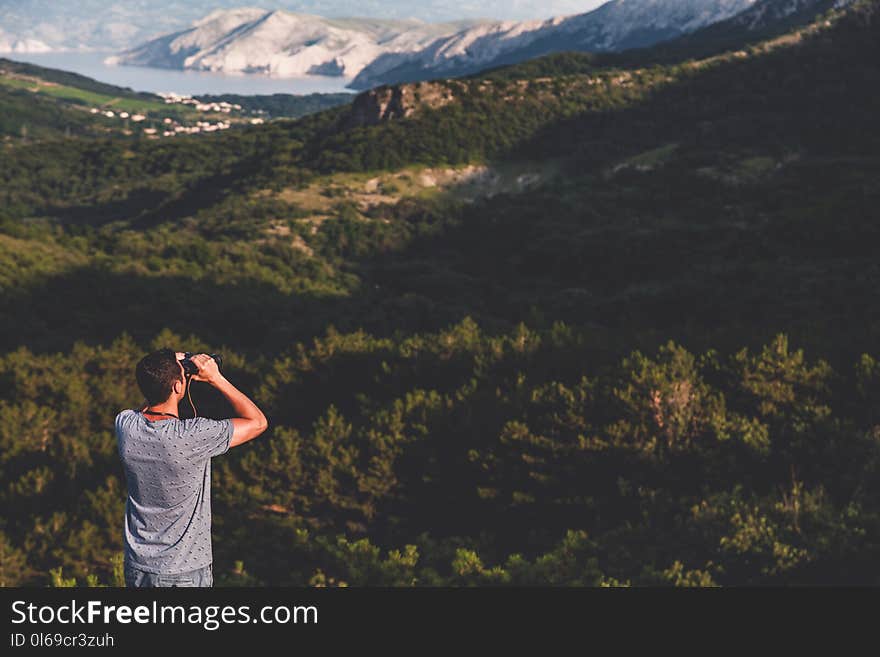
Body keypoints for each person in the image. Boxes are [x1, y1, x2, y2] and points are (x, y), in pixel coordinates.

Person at [115, 349, 268, 587]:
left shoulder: (125, 425)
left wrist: (163, 371)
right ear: (178, 387)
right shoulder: (193, 435)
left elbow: (150, 399)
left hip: (138, 567)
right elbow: (257, 422)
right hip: (183, 571)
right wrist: (215, 378)